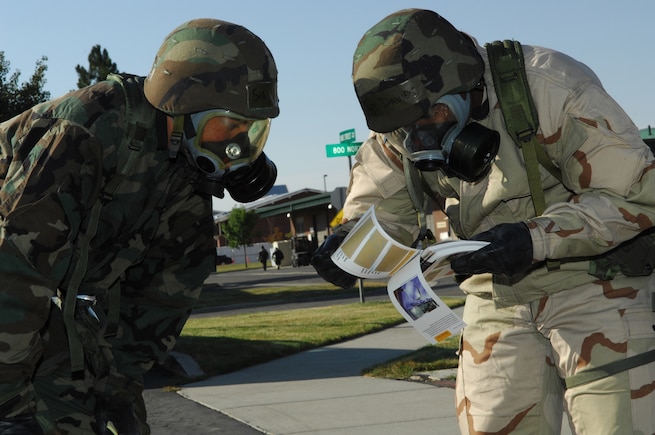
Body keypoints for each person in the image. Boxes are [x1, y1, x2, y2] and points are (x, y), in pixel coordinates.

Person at [311, 8, 655, 434]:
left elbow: (635, 195)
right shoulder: (401, 124)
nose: (421, 138)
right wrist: (349, 244)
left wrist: (536, 240)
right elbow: (383, 204)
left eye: (432, 118)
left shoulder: (550, 87)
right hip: (496, 295)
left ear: (465, 86)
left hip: (595, 283)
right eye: (406, 128)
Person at [0, 18, 279, 434]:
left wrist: (119, 382)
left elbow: (165, 292)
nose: (237, 146)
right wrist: (9, 410)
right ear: (182, 108)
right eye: (229, 125)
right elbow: (16, 276)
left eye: (251, 131)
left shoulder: (182, 172)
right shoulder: (84, 133)